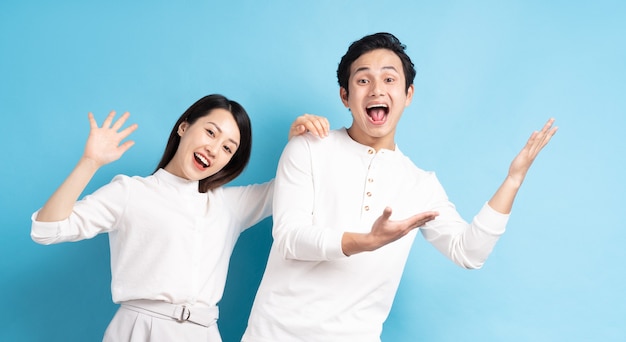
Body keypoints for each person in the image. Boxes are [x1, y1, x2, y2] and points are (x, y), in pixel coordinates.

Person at [242, 33, 558, 342]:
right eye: (363, 80)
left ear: (408, 95)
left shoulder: (421, 185)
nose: (377, 89)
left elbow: (469, 252)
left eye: (390, 79)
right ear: (345, 96)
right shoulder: (308, 147)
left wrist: (513, 180)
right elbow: (290, 238)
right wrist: (365, 241)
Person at [30, 94, 329, 341]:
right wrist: (90, 162)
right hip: (140, 330)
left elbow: (293, 187)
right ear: (184, 127)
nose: (214, 149)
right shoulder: (130, 192)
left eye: (227, 148)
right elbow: (46, 230)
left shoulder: (230, 205)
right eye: (210, 132)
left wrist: (298, 146)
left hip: (204, 332)